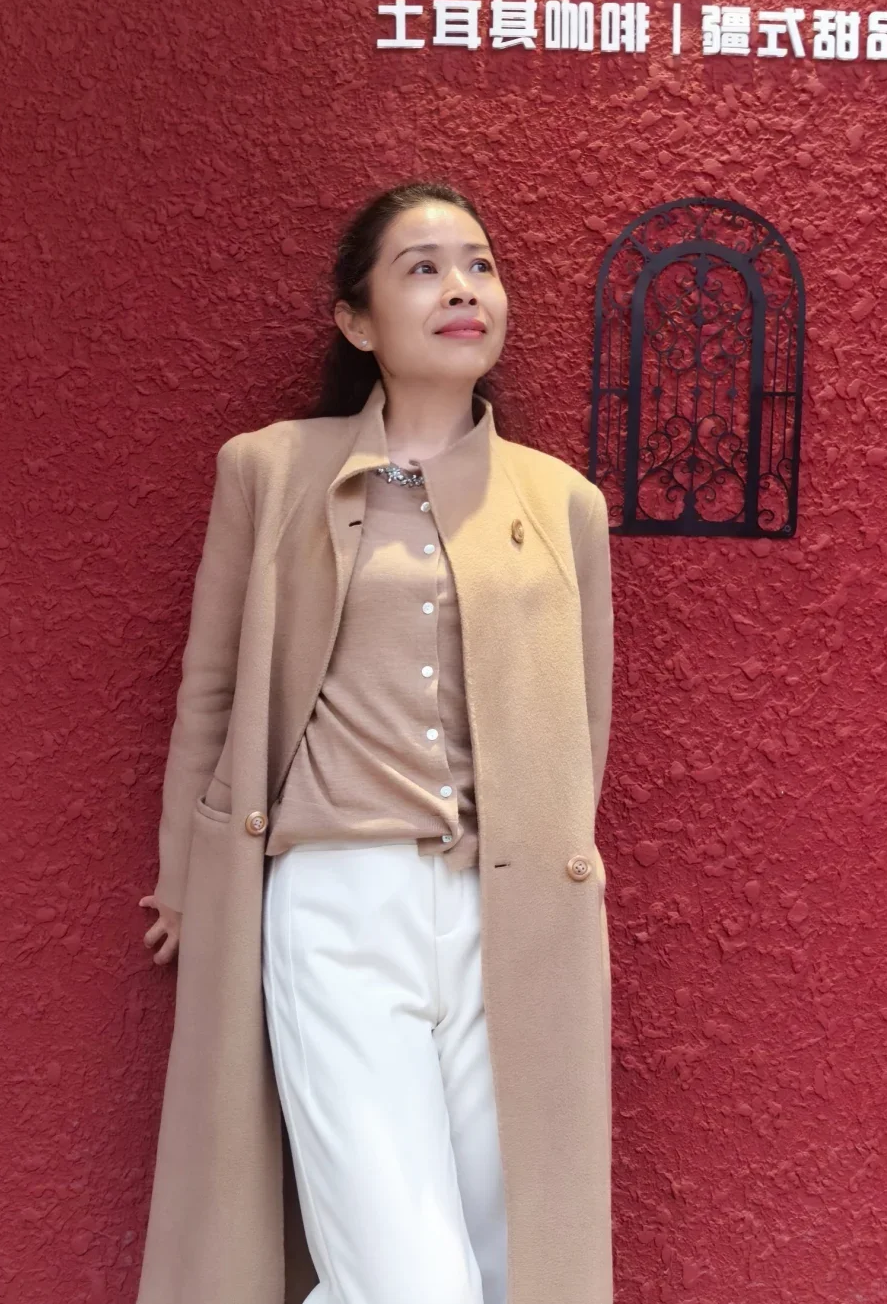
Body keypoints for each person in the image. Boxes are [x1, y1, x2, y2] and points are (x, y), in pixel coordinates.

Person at [135, 180, 616, 1304]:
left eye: (480, 265)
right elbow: (212, 693)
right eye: (423, 268)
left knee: (506, 1270)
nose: (463, 289)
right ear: (356, 321)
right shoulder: (271, 470)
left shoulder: (563, 503)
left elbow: (581, 723)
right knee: (413, 1283)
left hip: (509, 919)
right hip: (339, 905)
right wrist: (188, 880)